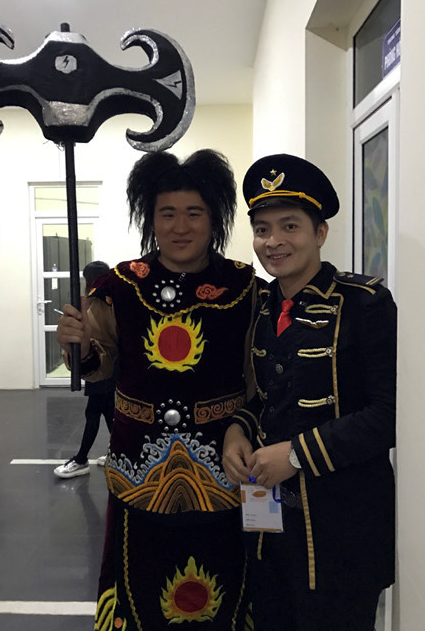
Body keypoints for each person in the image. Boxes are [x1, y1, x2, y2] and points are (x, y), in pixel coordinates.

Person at [56, 149, 259, 630]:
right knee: (140, 590)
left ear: (214, 219)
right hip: (138, 470)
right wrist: (78, 349)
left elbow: (259, 378)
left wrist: (246, 426)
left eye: (194, 213)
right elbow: (99, 368)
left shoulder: (243, 287)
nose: (180, 226)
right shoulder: (120, 286)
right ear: (150, 218)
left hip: (224, 471)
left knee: (223, 589)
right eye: (167, 213)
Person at [223, 153, 396, 631]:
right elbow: (265, 398)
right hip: (269, 531)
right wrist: (238, 430)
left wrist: (296, 455)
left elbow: (391, 415)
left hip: (343, 531)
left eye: (290, 226)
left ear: (320, 233)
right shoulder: (262, 306)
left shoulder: (366, 304)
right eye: (262, 229)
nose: (273, 241)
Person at [54, 261, 115, 479]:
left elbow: (96, 340)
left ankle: (81, 460)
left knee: (94, 414)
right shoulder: (109, 301)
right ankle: (116, 453)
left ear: (87, 281)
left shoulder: (95, 305)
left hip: (102, 369)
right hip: (108, 369)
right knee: (108, 413)